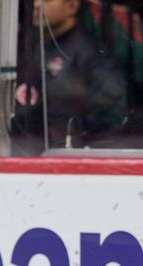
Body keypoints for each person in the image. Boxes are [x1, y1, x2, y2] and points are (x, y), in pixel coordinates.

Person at [11, 0, 127, 153]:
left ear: (72, 5)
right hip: (28, 153)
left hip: (72, 159)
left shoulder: (91, 56)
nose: (37, 4)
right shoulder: (31, 50)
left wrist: (74, 134)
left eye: (47, 0)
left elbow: (112, 118)